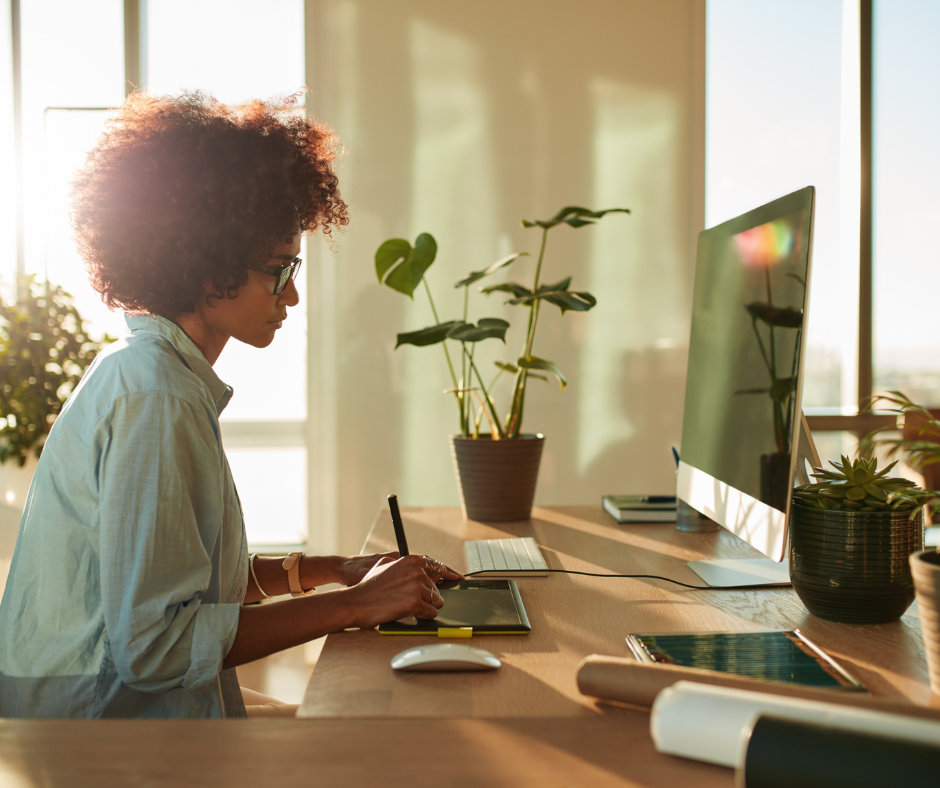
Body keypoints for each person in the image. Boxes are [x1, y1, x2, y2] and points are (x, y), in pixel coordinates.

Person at [0, 91, 459, 719]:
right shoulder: (155, 398)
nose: (291, 295)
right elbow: (156, 647)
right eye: (278, 268)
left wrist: (343, 571)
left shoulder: (154, 372)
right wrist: (359, 605)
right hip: (99, 741)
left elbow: (186, 582)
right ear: (209, 262)